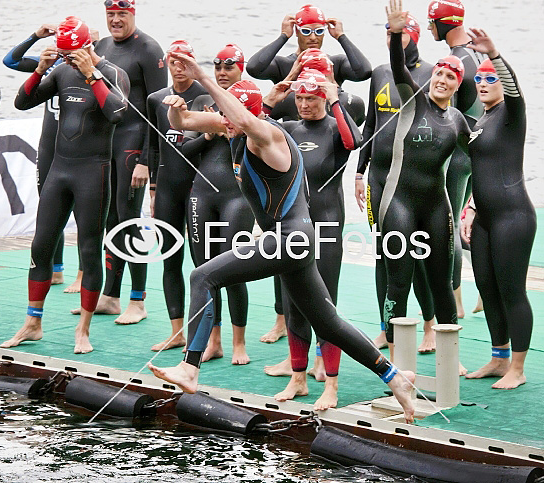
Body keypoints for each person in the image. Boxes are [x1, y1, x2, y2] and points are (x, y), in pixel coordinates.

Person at [146, 51, 416, 423]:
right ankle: (395, 376)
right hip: (293, 242)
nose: (223, 124)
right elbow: (188, 120)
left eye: (227, 117)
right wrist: (177, 108)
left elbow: (240, 117)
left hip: (290, 239)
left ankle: (190, 368)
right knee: (328, 322)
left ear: (246, 115)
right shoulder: (235, 126)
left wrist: (203, 77)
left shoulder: (267, 135)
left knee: (202, 275)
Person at [1, 16, 129, 353]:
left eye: (72, 53)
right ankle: (33, 323)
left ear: (88, 46)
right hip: (60, 169)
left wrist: (91, 74)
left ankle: (83, 330)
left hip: (94, 172)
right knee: (40, 246)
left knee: (89, 250)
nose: (67, 58)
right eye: (63, 53)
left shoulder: (114, 74)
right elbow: (22, 102)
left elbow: (117, 112)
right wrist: (41, 70)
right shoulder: (60, 70)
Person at [261, 68, 362, 410]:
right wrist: (269, 103)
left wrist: (334, 99)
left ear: (323, 99)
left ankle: (330, 384)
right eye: (300, 98)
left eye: (311, 98)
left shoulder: (337, 129)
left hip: (328, 224)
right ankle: (298, 378)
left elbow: (354, 142)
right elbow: (249, 130)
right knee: (293, 304)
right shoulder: (288, 129)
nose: (304, 104)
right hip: (293, 227)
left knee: (325, 304)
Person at [382, 0, 470, 368]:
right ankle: (394, 362)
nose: (442, 80)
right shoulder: (411, 100)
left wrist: (474, 204)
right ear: (431, 78)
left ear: (456, 85)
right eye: (439, 75)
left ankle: (450, 359)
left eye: (450, 77)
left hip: (437, 206)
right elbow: (398, 67)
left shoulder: (459, 122)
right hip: (398, 203)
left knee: (441, 282)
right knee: (398, 281)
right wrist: (397, 32)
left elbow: (483, 160)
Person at [79, 0, 167, 324]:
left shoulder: (148, 49)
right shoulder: (101, 46)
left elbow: (160, 111)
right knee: (110, 220)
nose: (116, 20)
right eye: (111, 15)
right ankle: (111, 297)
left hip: (134, 143)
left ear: (133, 14)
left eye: (122, 14)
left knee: (129, 218)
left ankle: (138, 300)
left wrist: (148, 161)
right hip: (107, 144)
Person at [355, 14, 437, 354]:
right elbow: (372, 125)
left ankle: (430, 326)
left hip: (415, 178)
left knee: (418, 253)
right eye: (388, 34)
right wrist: (360, 172)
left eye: (399, 36)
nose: (392, 40)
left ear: (414, 37)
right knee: (382, 254)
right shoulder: (379, 73)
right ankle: (386, 329)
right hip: (380, 177)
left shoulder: (433, 73)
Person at [462, 29, 536, 389]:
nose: (484, 83)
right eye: (479, 78)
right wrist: (472, 207)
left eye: (490, 78)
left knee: (512, 290)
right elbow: (483, 170)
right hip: (487, 219)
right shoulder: (480, 123)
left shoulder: (511, 114)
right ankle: (498, 357)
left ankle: (518, 370)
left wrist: (495, 54)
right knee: (487, 287)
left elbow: (517, 91)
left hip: (513, 216)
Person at [184, 44, 255, 365]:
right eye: (218, 67)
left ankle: (239, 343)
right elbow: (185, 151)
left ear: (241, 69)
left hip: (237, 198)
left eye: (229, 67)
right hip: (202, 194)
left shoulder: (250, 101)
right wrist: (209, 136)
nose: (223, 73)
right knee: (203, 270)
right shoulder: (201, 102)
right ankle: (214, 340)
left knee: (234, 270)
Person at [145, 40, 207, 352]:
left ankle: (206, 333)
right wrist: (153, 189)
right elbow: (154, 146)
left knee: (202, 264)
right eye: (173, 61)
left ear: (193, 63)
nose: (179, 68)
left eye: (184, 61)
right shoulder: (156, 99)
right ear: (167, 64)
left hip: (199, 190)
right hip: (168, 186)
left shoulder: (205, 97)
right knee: (170, 259)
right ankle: (176, 332)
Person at [428, 0, 485, 318]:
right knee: (469, 227)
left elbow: (443, 114)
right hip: (476, 151)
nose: (428, 29)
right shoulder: (478, 52)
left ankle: (457, 303)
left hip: (456, 157)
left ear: (443, 23)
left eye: (430, 22)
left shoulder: (453, 59)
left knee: (447, 230)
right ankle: (482, 295)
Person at [3, 25, 68, 287]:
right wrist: (36, 37)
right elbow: (10, 61)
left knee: (87, 216)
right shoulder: (50, 65)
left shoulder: (88, 67)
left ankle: (82, 274)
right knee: (50, 207)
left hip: (79, 148)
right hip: (49, 144)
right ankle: (57, 268)